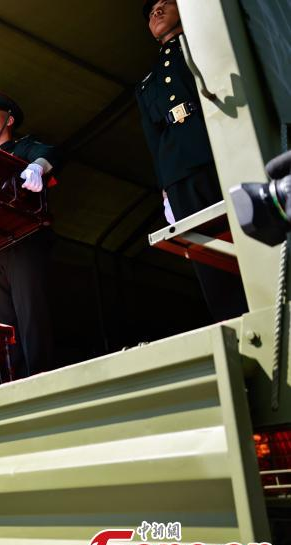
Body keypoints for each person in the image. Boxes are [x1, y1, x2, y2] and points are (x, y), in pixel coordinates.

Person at [136, 0, 247, 321]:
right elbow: (153, 138)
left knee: (251, 236)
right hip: (179, 173)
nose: (156, 12)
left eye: (164, 4)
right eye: (151, 11)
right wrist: (166, 190)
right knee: (208, 259)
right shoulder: (147, 82)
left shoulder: (207, 45)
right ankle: (234, 325)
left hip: (219, 152)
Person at [0, 90, 61, 378]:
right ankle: (16, 381)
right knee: (6, 327)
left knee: (31, 318)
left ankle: (41, 379)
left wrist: (37, 167)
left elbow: (49, 154)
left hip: (23, 242)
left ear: (9, 120)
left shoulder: (23, 148)